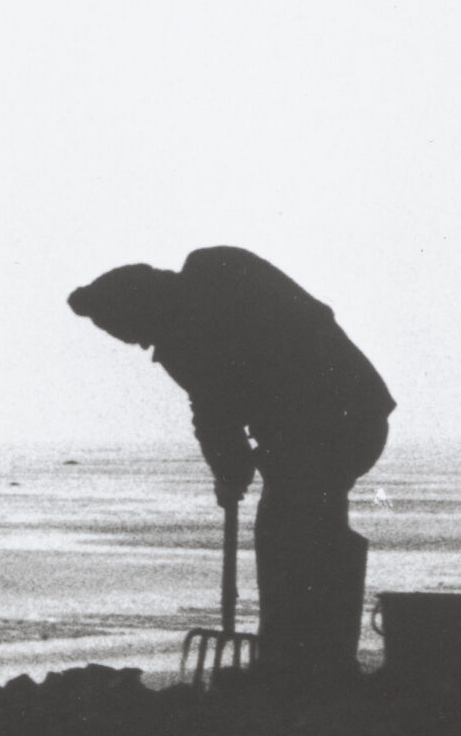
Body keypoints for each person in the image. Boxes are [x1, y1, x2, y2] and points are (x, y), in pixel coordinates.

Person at [68, 248, 392, 681]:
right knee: (308, 533)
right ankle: (309, 656)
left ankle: (306, 663)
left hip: (328, 423)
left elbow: (215, 412)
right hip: (354, 411)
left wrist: (230, 474)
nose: (143, 344)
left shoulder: (191, 326)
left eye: (134, 331)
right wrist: (234, 467)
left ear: (144, 306)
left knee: (292, 534)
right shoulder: (215, 270)